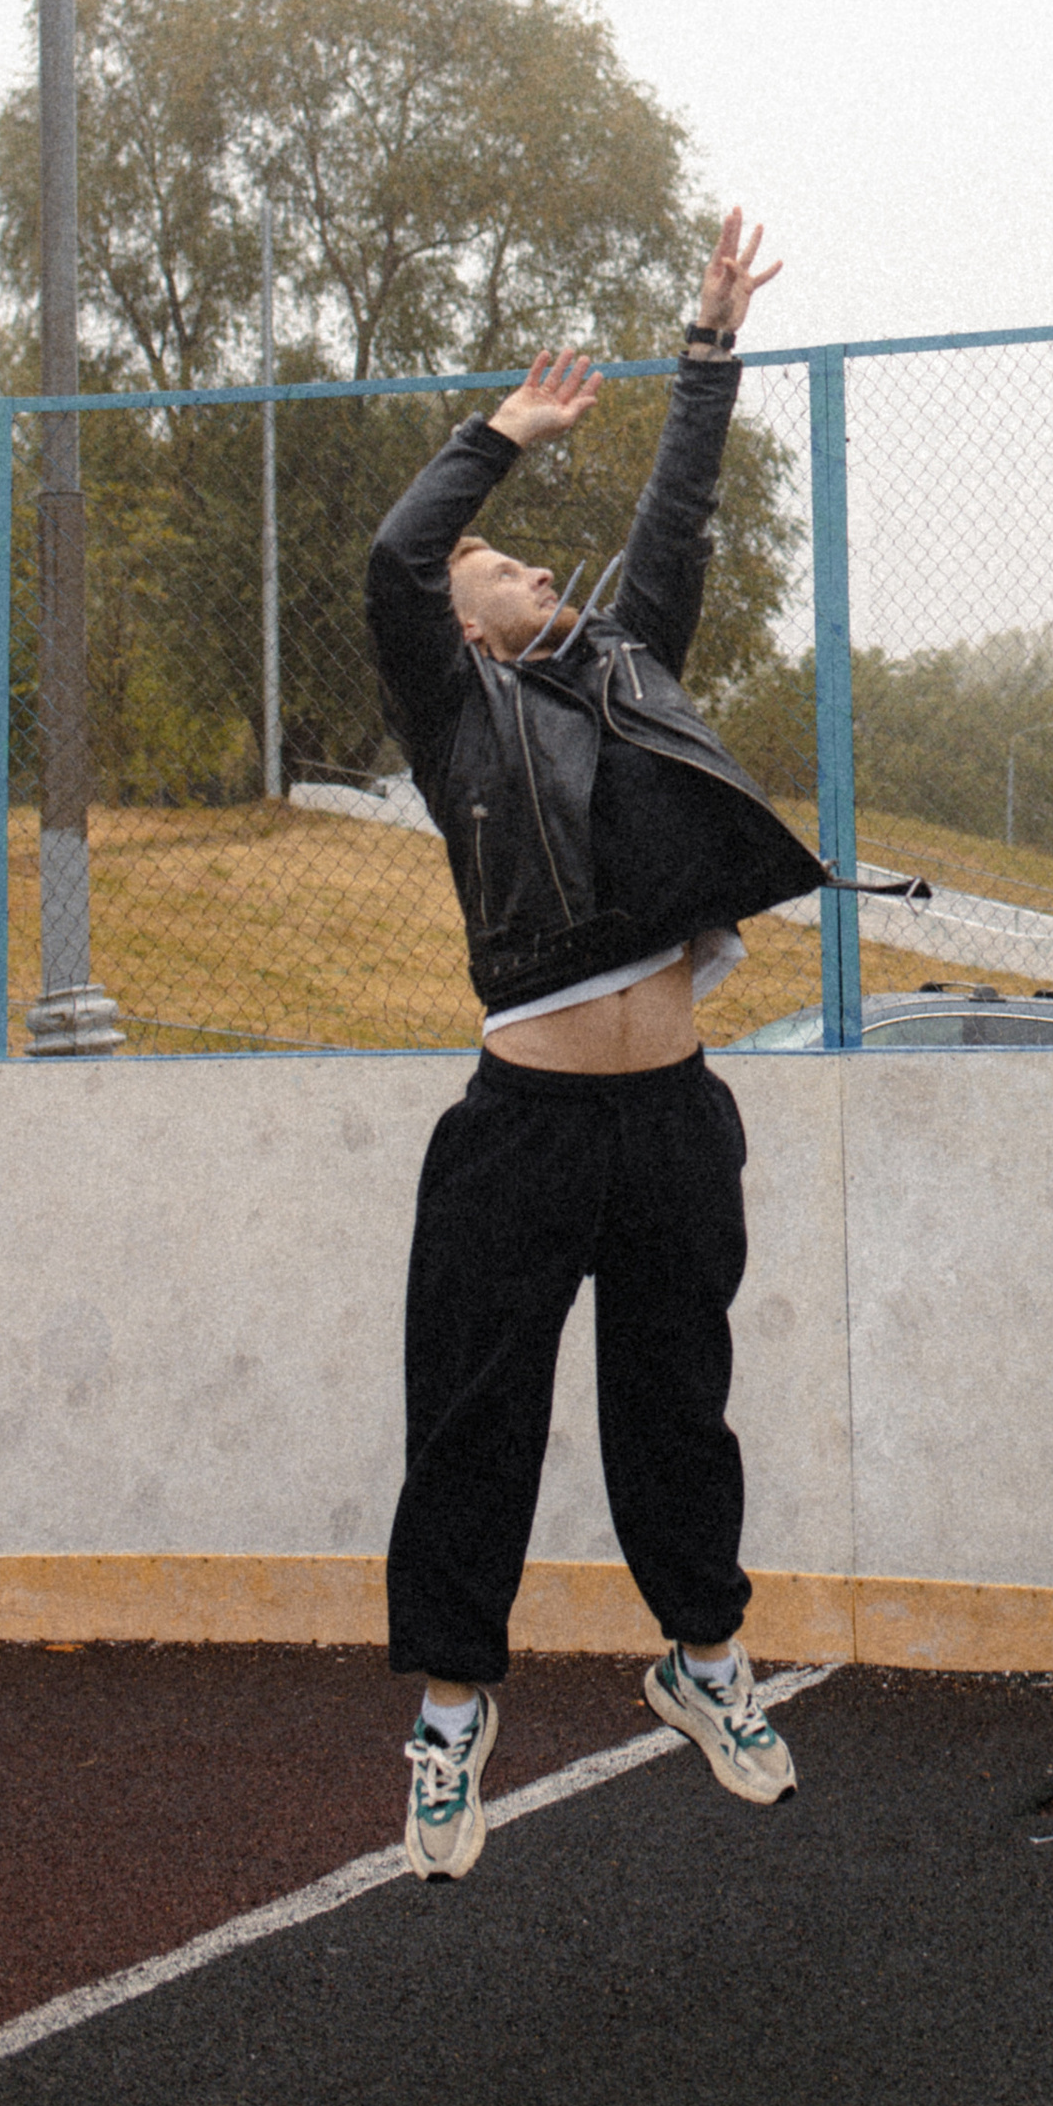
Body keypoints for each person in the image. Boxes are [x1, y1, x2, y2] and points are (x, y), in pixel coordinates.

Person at [367, 212, 823, 1882]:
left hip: (673, 1119)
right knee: (476, 1418)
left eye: (537, 565)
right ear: (466, 624)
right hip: (525, 1128)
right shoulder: (453, 714)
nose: (534, 573)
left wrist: (708, 348)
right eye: (506, 572)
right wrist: (497, 440)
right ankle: (449, 1719)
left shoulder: (628, 673)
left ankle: (704, 1662)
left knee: (675, 1410)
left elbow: (678, 520)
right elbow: (392, 568)